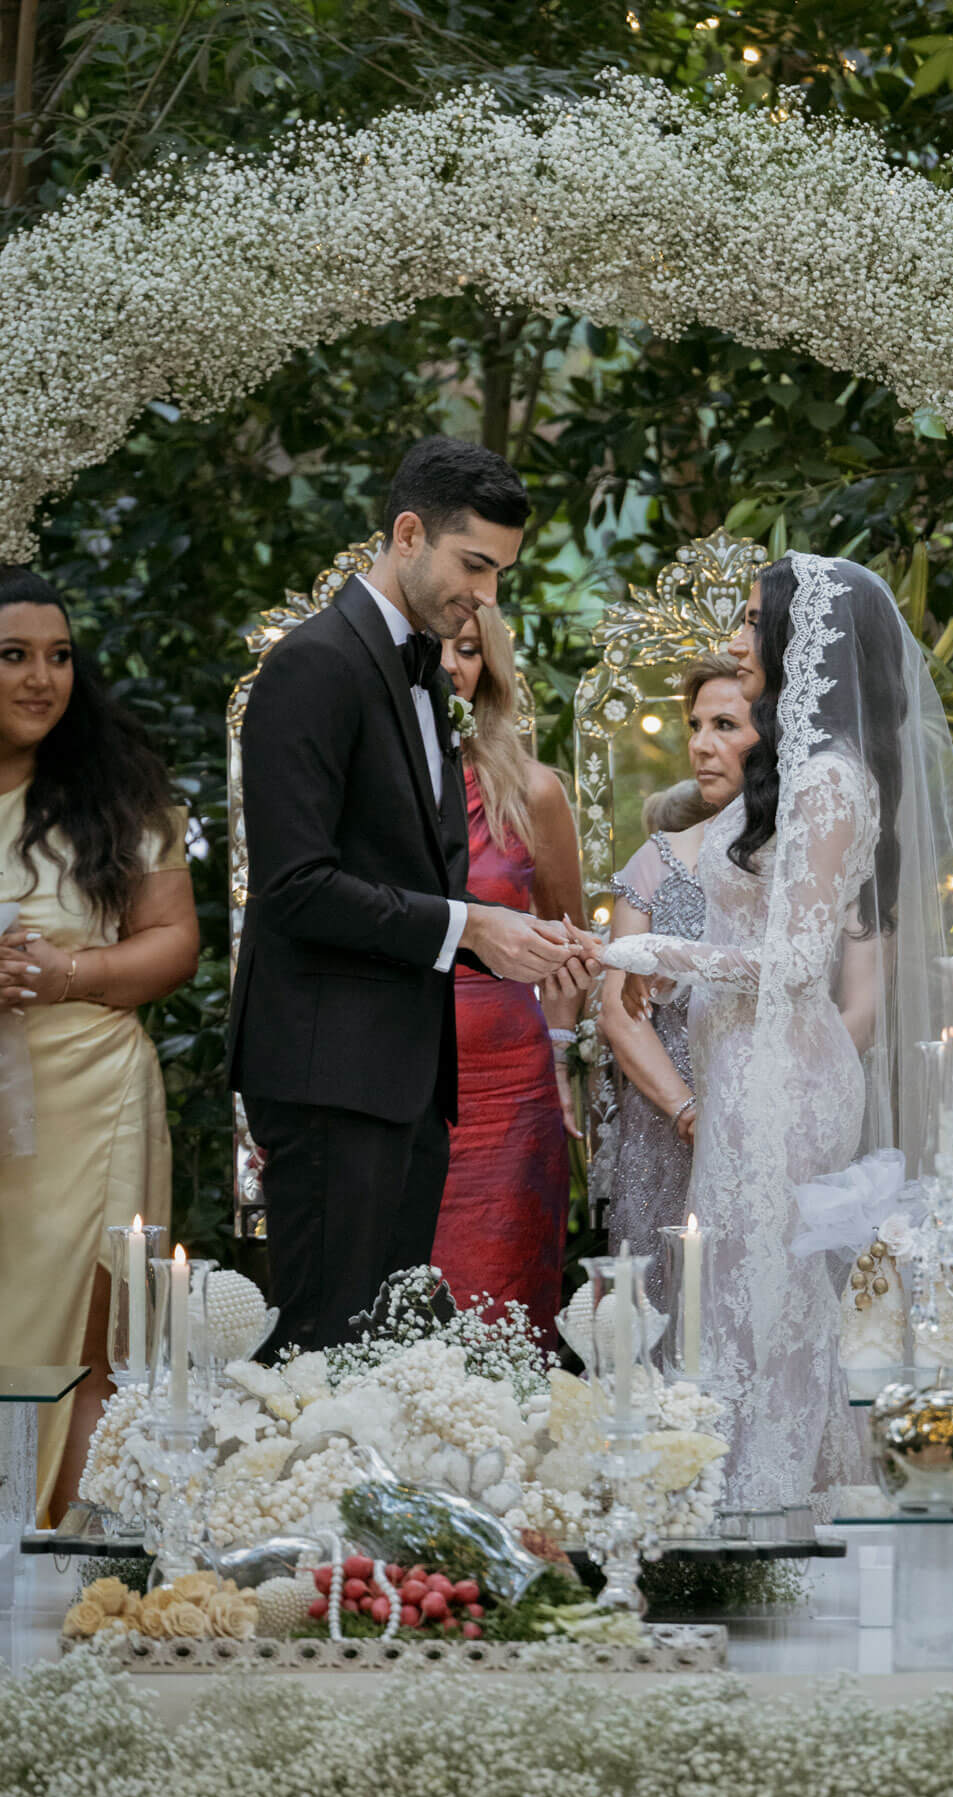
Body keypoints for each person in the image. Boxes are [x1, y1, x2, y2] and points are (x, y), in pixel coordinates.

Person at [602, 554, 953, 1513]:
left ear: (803, 638)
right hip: (743, 1064)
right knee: (741, 1295)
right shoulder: (793, 773)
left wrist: (650, 954)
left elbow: (798, 963)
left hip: (785, 1074)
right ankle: (749, 1498)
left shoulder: (829, 782)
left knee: (770, 1301)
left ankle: (775, 1509)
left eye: (749, 619)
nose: (736, 640)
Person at [228, 438, 597, 1353]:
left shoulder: (421, 671)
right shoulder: (315, 664)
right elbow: (294, 887)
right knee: (326, 1354)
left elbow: (408, 871)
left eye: (500, 573)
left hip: (405, 1080)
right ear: (405, 535)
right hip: (330, 1077)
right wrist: (471, 926)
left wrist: (512, 943)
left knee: (385, 1361)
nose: (486, 594)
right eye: (473, 564)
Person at [0, 566, 199, 1524]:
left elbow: (173, 946)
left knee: (94, 1342)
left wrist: (65, 974)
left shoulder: (119, 799)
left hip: (91, 1095)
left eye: (59, 657)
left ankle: (69, 1555)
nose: (42, 678)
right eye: (13, 656)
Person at [430, 605, 586, 1344]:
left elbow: (568, 940)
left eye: (468, 650)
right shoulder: (365, 787)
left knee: (501, 1316)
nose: (450, 665)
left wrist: (560, 1052)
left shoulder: (532, 791)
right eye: (434, 647)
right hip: (392, 1084)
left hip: (508, 1094)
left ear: (489, 669)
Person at [602, 653, 756, 1302]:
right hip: (665, 1130)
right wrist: (688, 1111)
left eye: (725, 725)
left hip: (771, 1117)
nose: (699, 745)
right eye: (696, 726)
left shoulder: (812, 865)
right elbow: (619, 1010)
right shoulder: (656, 861)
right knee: (665, 1307)